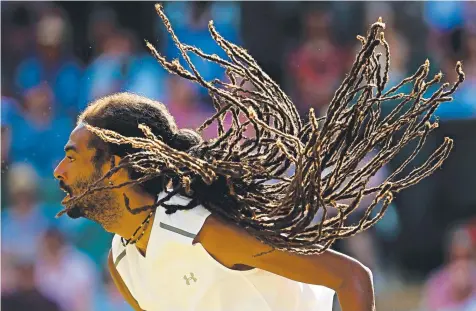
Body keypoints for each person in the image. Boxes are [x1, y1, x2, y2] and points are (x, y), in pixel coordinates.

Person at [54, 5, 465, 311]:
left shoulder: (201, 229)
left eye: (72, 156)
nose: (58, 170)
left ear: (116, 165)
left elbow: (352, 277)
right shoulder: (121, 260)